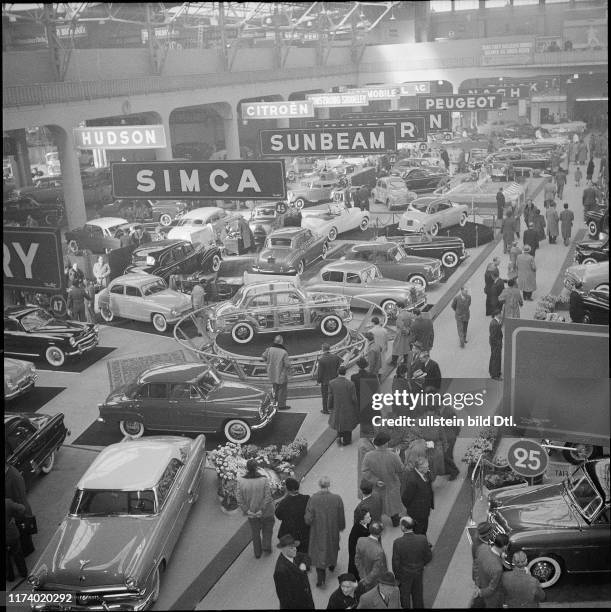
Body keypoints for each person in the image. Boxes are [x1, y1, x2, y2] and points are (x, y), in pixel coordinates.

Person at [305, 476, 346, 588]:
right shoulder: (337, 498)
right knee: (333, 547)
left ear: (320, 485)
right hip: (333, 529)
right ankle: (332, 564)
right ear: (329, 485)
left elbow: (308, 519)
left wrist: (309, 521)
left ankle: (321, 578)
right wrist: (341, 526)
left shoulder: (313, 499)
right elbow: (341, 516)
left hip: (318, 531)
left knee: (319, 552)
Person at [361, 432, 405, 528]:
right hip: (392, 485)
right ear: (385, 444)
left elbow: (365, 471)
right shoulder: (393, 456)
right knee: (393, 507)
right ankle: (395, 522)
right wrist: (397, 456)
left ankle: (378, 524)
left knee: (378, 507)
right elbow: (401, 469)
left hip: (377, 487)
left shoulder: (368, 456)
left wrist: (375, 481)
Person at [236, 459, 275, 559]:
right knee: (268, 528)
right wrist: (261, 510)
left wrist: (247, 510)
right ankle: (266, 545)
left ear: (247, 468)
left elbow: (239, 499)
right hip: (266, 511)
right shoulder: (264, 480)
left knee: (255, 532)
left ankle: (257, 553)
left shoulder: (241, 481)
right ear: (257, 468)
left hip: (251, 513)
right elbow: (267, 497)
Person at [392, 515, 432, 609]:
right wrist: (421, 565)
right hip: (418, 572)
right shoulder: (422, 539)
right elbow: (429, 556)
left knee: (405, 597)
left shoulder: (398, 542)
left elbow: (396, 563)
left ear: (403, 527)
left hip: (404, 574)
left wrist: (398, 576)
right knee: (418, 595)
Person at [273, 534, 315, 610]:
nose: (295, 549)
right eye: (292, 548)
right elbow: (285, 599)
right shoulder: (280, 571)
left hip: (306, 600)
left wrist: (304, 564)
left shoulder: (294, 555)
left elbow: (306, 557)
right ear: (284, 549)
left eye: (295, 547)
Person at [472, 533, 509, 609]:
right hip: (492, 600)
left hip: (480, 585)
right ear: (505, 547)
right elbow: (491, 589)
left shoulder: (482, 548)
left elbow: (475, 566)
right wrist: (480, 592)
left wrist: (476, 583)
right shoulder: (498, 568)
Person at [275, 477, 310, 556]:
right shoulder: (307, 498)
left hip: (291, 534)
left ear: (287, 489)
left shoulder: (283, 503)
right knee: (305, 551)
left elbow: (278, 515)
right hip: (306, 532)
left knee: (294, 553)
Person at [401, 457, 434, 536]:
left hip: (425, 509)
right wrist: (413, 508)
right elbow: (405, 498)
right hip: (417, 512)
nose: (428, 468)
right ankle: (421, 543)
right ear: (420, 468)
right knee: (418, 530)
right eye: (426, 467)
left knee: (424, 527)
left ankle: (424, 539)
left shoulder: (425, 473)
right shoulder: (412, 480)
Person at [328, 366, 359, 446]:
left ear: (338, 372)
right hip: (348, 407)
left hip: (337, 407)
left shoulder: (332, 383)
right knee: (348, 424)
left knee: (339, 422)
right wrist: (356, 407)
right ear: (346, 372)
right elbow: (354, 399)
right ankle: (346, 441)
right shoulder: (350, 384)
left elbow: (330, 396)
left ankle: (339, 436)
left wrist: (330, 407)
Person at [355, 521, 388, 595]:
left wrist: (362, 575)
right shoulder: (379, 552)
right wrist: (366, 581)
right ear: (380, 533)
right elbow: (376, 571)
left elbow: (357, 560)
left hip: (363, 575)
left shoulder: (360, 540)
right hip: (374, 582)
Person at [351, 358, 379, 438]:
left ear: (358, 367)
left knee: (363, 418)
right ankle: (371, 433)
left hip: (360, 400)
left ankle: (365, 434)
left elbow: (354, 390)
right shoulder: (372, 376)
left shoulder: (354, 377)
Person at [262, 335, 291, 410]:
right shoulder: (284, 352)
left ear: (275, 341)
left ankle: (274, 403)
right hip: (281, 374)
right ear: (281, 342)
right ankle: (281, 405)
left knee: (275, 388)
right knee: (282, 390)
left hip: (271, 373)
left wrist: (268, 363)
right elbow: (287, 364)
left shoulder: (269, 349)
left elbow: (263, 357)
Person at [6, 497, 28, 581]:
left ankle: (10, 577)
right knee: (17, 553)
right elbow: (22, 508)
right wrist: (16, 517)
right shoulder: (7, 502)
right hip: (12, 534)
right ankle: (23, 573)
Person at [317, 343, 342, 414]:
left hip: (325, 382)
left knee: (325, 396)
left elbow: (320, 373)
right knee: (334, 395)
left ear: (322, 349)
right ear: (329, 348)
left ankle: (325, 410)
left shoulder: (321, 360)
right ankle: (333, 408)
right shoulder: (336, 357)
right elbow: (338, 368)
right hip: (334, 379)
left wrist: (319, 381)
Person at [348, 508, 371, 580]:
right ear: (361, 521)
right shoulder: (360, 531)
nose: (370, 518)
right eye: (368, 517)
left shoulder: (364, 525)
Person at [489, 308, 503, 381]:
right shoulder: (495, 324)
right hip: (496, 344)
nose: (501, 314)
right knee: (496, 359)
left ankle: (492, 371)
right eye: (500, 313)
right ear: (497, 315)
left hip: (495, 344)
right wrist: (498, 344)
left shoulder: (495, 322)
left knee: (494, 358)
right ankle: (495, 375)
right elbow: (493, 336)